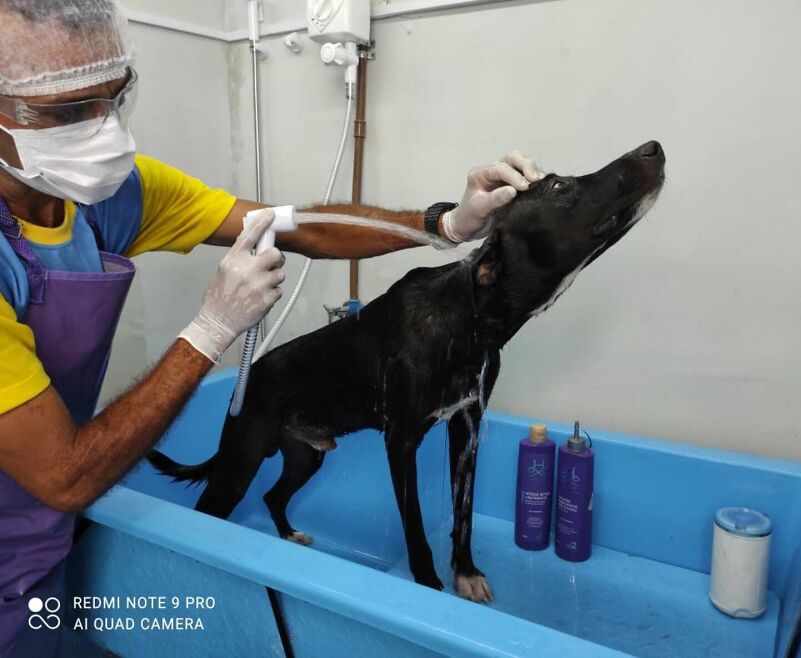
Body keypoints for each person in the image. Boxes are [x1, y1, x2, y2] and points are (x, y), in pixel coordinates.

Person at [0, 1, 544, 654]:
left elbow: (296, 225)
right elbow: (65, 475)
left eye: (113, 99)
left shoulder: (105, 194)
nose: (102, 131)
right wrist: (208, 332)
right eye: (62, 112)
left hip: (43, 532)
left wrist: (444, 224)